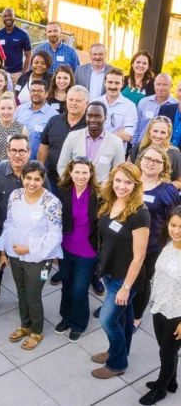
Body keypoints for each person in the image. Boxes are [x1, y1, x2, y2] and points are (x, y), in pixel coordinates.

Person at [0, 161, 63, 350]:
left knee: (33, 295)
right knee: (21, 291)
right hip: (16, 255)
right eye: (28, 178)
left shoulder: (51, 202)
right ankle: (25, 325)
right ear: (22, 177)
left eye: (37, 179)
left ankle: (37, 331)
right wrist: (3, 252)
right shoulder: (15, 196)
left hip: (39, 259)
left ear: (43, 180)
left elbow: (54, 235)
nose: (32, 183)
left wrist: (29, 248)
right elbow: (9, 224)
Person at [90, 163, 150, 379]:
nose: (122, 186)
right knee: (124, 318)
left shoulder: (139, 214)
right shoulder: (110, 201)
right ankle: (117, 351)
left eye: (127, 182)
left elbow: (139, 256)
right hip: (109, 271)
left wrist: (126, 288)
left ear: (136, 185)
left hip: (125, 279)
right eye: (118, 180)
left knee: (108, 321)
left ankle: (117, 364)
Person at [0, 135, 50, 316]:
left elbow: (48, 202)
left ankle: (29, 297)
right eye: (13, 150)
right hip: (2, 231)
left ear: (29, 152)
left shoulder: (37, 171)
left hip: (30, 234)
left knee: (28, 269)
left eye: (22, 151)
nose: (17, 155)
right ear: (7, 151)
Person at [132, 146, 181, 331]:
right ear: (141, 160)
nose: (151, 163)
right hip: (127, 243)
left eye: (157, 161)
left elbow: (175, 220)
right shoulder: (131, 182)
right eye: (148, 159)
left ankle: (136, 316)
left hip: (150, 248)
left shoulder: (167, 190)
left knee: (143, 282)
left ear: (164, 166)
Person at [138, 206, 181, 405]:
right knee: (164, 348)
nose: (176, 230)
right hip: (160, 305)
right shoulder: (169, 243)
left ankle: (161, 388)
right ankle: (171, 381)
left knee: (167, 352)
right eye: (173, 225)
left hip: (177, 313)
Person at [55, 157, 100, 342]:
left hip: (88, 252)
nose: (81, 176)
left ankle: (79, 323)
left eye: (85, 172)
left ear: (90, 174)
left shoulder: (98, 195)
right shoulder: (63, 191)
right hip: (66, 248)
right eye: (77, 172)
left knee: (80, 289)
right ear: (70, 173)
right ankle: (66, 317)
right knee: (66, 285)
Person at [57, 101, 125, 183]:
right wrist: (73, 185)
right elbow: (61, 166)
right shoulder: (72, 136)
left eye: (98, 116)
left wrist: (105, 188)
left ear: (105, 117)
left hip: (101, 192)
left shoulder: (116, 142)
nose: (93, 120)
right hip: (75, 191)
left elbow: (119, 172)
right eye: (89, 116)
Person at [38, 85, 89, 193]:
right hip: (52, 180)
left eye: (78, 100)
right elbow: (44, 147)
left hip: (79, 184)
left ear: (86, 103)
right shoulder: (54, 121)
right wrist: (40, 171)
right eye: (71, 99)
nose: (73, 103)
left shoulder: (90, 126)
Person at [129, 116, 181, 189]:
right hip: (136, 191)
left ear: (168, 134)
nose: (158, 135)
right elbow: (127, 169)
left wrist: (158, 188)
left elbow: (179, 182)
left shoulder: (175, 154)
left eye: (163, 132)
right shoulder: (140, 146)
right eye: (155, 131)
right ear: (150, 130)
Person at [15, 80, 58, 160]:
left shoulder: (53, 116)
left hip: (36, 163)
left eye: (39, 91)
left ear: (46, 94)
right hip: (16, 159)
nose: (35, 93)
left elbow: (52, 144)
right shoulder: (19, 109)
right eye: (33, 90)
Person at [97, 68, 138, 147]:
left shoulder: (129, 106)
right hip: (95, 150)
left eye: (117, 83)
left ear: (122, 84)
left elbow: (128, 136)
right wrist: (118, 134)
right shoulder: (95, 103)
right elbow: (88, 131)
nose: (113, 86)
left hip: (117, 153)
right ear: (104, 83)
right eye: (110, 82)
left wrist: (100, 136)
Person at [134, 73, 177, 145]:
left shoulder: (176, 105)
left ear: (171, 86)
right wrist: (134, 145)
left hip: (163, 149)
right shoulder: (144, 102)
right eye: (158, 84)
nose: (161, 88)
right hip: (142, 146)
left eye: (165, 84)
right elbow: (136, 126)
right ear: (154, 84)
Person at [0, 8, 31, 85]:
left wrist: (23, 73)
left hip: (16, 74)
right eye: (5, 16)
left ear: (14, 17)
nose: (7, 18)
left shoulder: (23, 35)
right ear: (3, 18)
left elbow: (28, 55)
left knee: (14, 96)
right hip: (1, 73)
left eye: (10, 15)